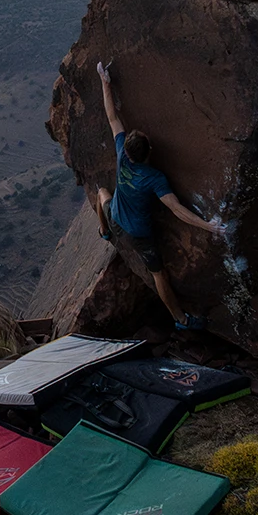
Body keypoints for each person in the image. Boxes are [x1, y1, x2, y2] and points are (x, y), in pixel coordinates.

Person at [90, 59, 223, 333]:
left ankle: (103, 230)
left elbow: (112, 116)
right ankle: (181, 319)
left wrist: (105, 82)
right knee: (158, 274)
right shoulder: (154, 178)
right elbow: (177, 210)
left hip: (115, 216)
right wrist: (208, 226)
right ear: (148, 152)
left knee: (102, 193)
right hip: (138, 234)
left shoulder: (121, 154)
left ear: (127, 151)